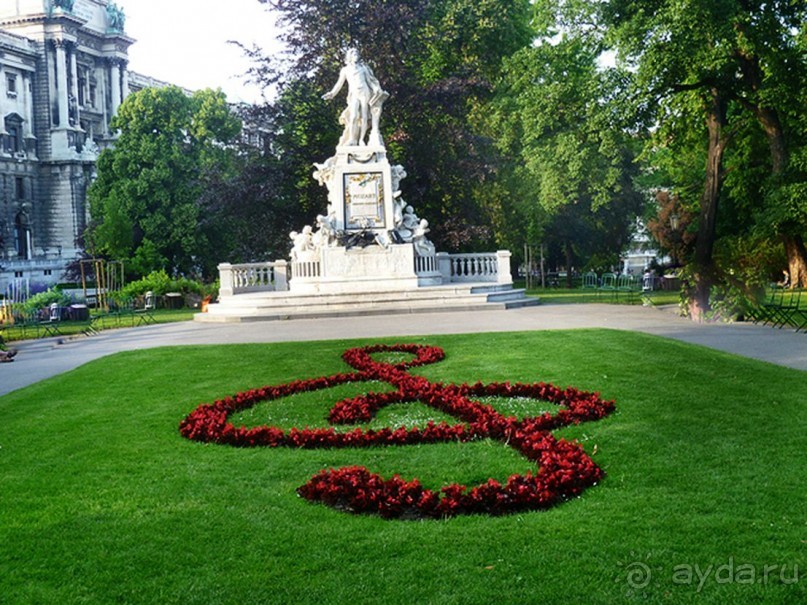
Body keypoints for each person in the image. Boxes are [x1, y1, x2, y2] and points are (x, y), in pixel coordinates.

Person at [322, 48, 388, 146]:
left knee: (364, 117)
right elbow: (339, 84)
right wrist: (332, 93)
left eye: (357, 54)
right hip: (354, 94)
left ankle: (361, 140)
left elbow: (370, 81)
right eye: (354, 54)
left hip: (364, 92)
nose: (356, 55)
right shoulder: (345, 70)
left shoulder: (363, 68)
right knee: (353, 117)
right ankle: (353, 140)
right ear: (349, 57)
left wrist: (376, 89)